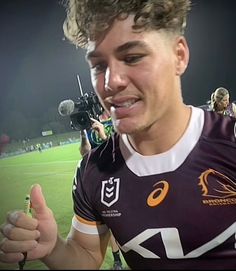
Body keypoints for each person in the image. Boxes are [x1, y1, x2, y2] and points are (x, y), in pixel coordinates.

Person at [0, 0, 236, 270]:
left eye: (133, 57)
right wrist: (53, 249)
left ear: (178, 56)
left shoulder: (229, 142)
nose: (110, 81)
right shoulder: (93, 170)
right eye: (99, 66)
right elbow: (87, 256)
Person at [79, 115, 123, 270]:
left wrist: (103, 135)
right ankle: (117, 261)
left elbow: (119, 150)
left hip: (117, 175)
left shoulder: (117, 119)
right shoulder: (91, 124)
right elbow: (85, 153)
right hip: (98, 179)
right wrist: (84, 138)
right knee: (108, 223)